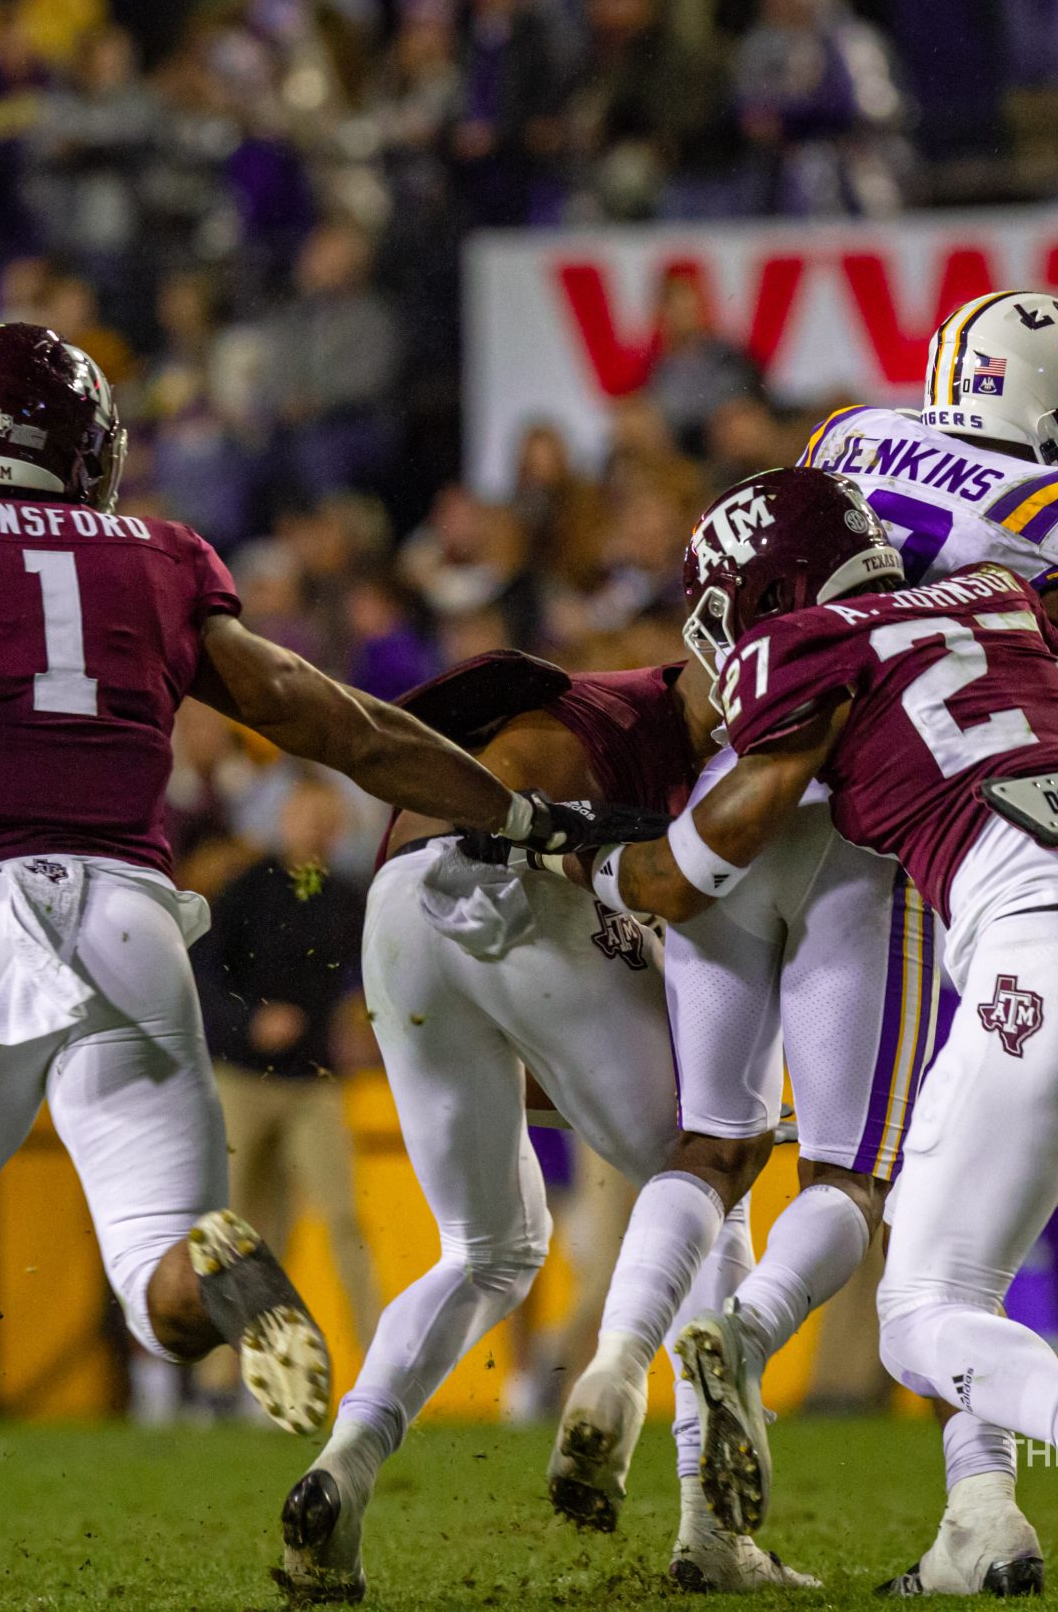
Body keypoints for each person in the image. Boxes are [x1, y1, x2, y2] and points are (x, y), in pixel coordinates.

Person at [0, 322, 648, 1612]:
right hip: (137, 925)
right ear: (85, 452)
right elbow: (337, 720)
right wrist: (518, 814)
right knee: (161, 1282)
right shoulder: (159, 556)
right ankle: (217, 1268)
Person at [555, 290, 1058, 1596]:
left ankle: (694, 1482)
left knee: (715, 1145)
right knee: (912, 1189)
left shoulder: (850, 436)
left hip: (736, 797)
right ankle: (971, 1497)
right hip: (897, 840)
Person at [277, 647, 803, 1601]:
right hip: (528, 885)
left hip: (400, 905)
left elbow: (534, 1056)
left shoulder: (596, 704)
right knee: (709, 1176)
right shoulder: (668, 742)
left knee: (488, 1247)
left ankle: (343, 1465)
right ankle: (706, 1519)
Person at [203, 772, 380, 1359]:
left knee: (343, 1221)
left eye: (330, 820)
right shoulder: (244, 891)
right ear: (284, 820)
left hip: (314, 1084)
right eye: (310, 817)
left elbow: (372, 984)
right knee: (239, 1230)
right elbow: (204, 982)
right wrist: (249, 1021)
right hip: (242, 1080)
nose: (320, 831)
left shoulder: (350, 899)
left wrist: (363, 1021)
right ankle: (221, 1377)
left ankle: (382, 1364)